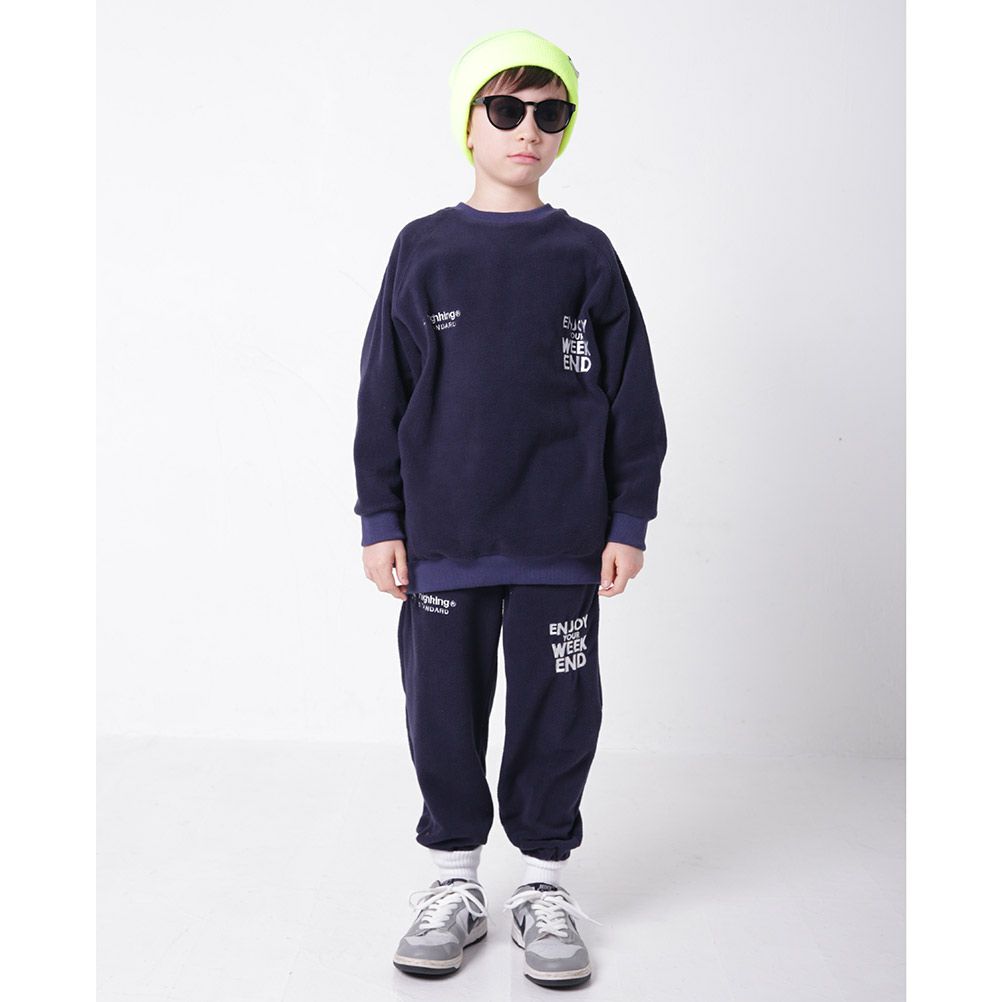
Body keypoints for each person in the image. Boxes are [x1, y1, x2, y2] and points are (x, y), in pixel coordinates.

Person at [352, 27, 668, 988]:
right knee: (441, 711)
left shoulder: (586, 255)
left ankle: (542, 884)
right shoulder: (423, 249)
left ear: (565, 129)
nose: (528, 128)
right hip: (443, 540)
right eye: (505, 108)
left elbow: (633, 396)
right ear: (469, 123)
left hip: (560, 540)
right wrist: (381, 518)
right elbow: (382, 393)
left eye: (549, 112)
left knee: (557, 711)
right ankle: (453, 881)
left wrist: (627, 520)